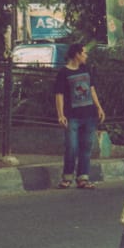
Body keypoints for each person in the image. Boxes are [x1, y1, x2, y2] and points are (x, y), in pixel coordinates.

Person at [53, 42, 105, 189]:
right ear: (77, 54)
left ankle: (83, 177)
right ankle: (67, 177)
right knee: (71, 147)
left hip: (89, 115)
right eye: (84, 53)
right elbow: (59, 95)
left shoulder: (86, 69)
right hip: (72, 116)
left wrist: (99, 108)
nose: (86, 56)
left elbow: (92, 89)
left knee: (86, 147)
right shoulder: (64, 73)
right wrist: (61, 115)